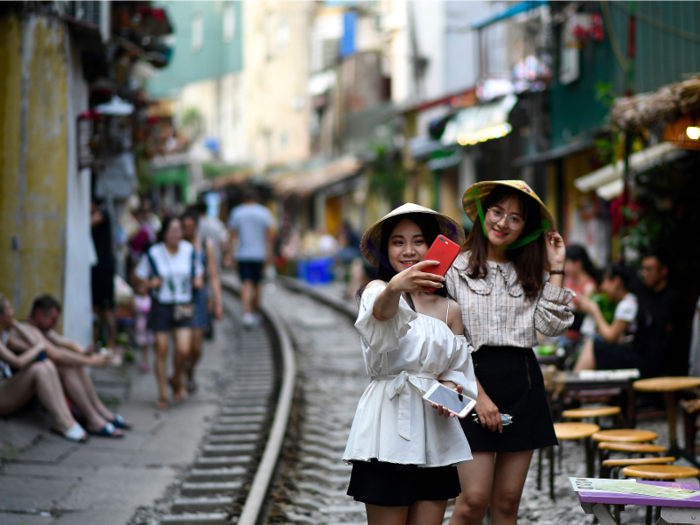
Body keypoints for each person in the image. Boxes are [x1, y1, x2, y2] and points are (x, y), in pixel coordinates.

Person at [446, 181, 574, 525]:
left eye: (515, 218)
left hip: (523, 382)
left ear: (526, 228)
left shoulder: (530, 272)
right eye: (497, 211)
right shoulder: (454, 268)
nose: (503, 223)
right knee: (472, 501)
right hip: (468, 381)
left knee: (506, 502)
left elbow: (550, 328)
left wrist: (557, 267)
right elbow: (447, 342)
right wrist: (478, 396)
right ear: (484, 213)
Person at [343, 203, 478, 525]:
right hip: (386, 427)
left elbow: (459, 369)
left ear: (433, 246)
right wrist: (396, 287)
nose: (408, 250)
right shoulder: (378, 292)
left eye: (418, 241)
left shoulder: (450, 310)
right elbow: (381, 318)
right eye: (398, 242)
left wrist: (449, 387)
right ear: (385, 249)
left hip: (436, 431)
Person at [7, 295, 128, 437]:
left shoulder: (42, 330)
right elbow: (55, 354)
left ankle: (99, 412)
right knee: (66, 365)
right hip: (18, 385)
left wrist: (84, 353)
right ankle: (91, 418)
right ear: (39, 314)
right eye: (53, 319)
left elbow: (66, 343)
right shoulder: (26, 329)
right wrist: (89, 361)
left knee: (73, 364)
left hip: (33, 382)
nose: (55, 324)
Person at [134, 216, 204, 409]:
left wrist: (198, 280)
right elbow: (137, 277)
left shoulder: (189, 250)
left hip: (183, 304)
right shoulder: (154, 253)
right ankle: (163, 393)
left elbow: (199, 271)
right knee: (161, 350)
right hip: (161, 305)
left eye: (179, 230)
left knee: (184, 349)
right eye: (172, 230)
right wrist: (151, 284)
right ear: (164, 233)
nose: (176, 234)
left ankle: (176, 377)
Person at [0, 294, 88, 443]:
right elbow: (18, 362)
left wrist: (15, 324)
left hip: (7, 388)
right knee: (38, 369)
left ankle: (67, 419)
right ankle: (62, 422)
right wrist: (39, 348)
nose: (13, 311)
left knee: (46, 364)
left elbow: (34, 341)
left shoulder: (6, 335)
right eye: (9, 309)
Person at [574, 263, 666, 378]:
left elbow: (611, 337)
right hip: (643, 358)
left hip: (645, 363)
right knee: (596, 343)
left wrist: (594, 310)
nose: (602, 287)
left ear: (616, 282)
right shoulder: (631, 300)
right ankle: (576, 385)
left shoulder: (628, 303)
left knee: (595, 346)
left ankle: (574, 385)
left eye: (605, 281)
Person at [181, 210, 223, 392]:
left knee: (196, 347)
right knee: (184, 345)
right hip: (180, 298)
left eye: (192, 227)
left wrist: (218, 301)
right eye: (185, 227)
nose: (188, 230)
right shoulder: (177, 246)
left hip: (199, 298)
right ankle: (180, 375)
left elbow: (213, 275)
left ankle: (189, 371)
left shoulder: (206, 245)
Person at [228, 187, 275, 328]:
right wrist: (269, 251)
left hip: (243, 254)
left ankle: (247, 314)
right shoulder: (264, 212)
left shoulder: (237, 212)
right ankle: (255, 311)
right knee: (258, 285)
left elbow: (232, 234)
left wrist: (231, 253)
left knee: (246, 284)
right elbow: (272, 232)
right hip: (259, 254)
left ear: (244, 199)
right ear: (256, 199)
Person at [640, 249, 681, 375]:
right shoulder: (649, 294)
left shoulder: (671, 298)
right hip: (646, 355)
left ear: (663, 271)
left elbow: (666, 334)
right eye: (643, 269)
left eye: (649, 269)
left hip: (665, 362)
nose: (645, 273)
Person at [90, 199, 117, 350]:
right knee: (97, 309)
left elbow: (89, 223)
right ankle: (96, 343)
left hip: (104, 268)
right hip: (97, 268)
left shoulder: (103, 213)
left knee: (107, 309)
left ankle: (111, 344)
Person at [563, 244, 599, 343]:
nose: (564, 267)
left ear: (578, 263)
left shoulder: (589, 286)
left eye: (567, 263)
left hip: (577, 335)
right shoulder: (567, 281)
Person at [194, 199, 230, 269]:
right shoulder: (217, 223)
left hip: (197, 261)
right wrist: (226, 257)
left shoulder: (195, 225)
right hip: (216, 260)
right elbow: (225, 243)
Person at [133, 281, 154, 372]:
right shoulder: (136, 299)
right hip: (140, 325)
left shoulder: (150, 299)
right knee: (143, 345)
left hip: (149, 325)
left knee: (151, 344)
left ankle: (150, 361)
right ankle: (145, 361)